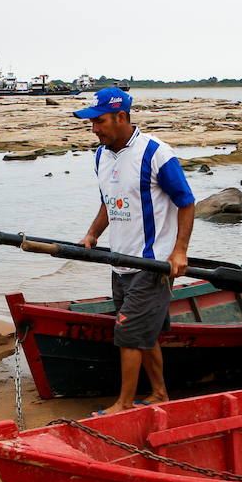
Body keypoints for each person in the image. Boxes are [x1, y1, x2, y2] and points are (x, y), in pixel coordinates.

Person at [74, 87, 195, 414]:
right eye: (91, 123)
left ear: (121, 117)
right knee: (146, 334)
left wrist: (179, 252)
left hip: (152, 266)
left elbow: (186, 202)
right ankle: (159, 394)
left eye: (99, 122)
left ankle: (124, 405)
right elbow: (109, 203)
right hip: (120, 263)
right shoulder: (101, 155)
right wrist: (92, 234)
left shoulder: (156, 153)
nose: (94, 129)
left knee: (128, 334)